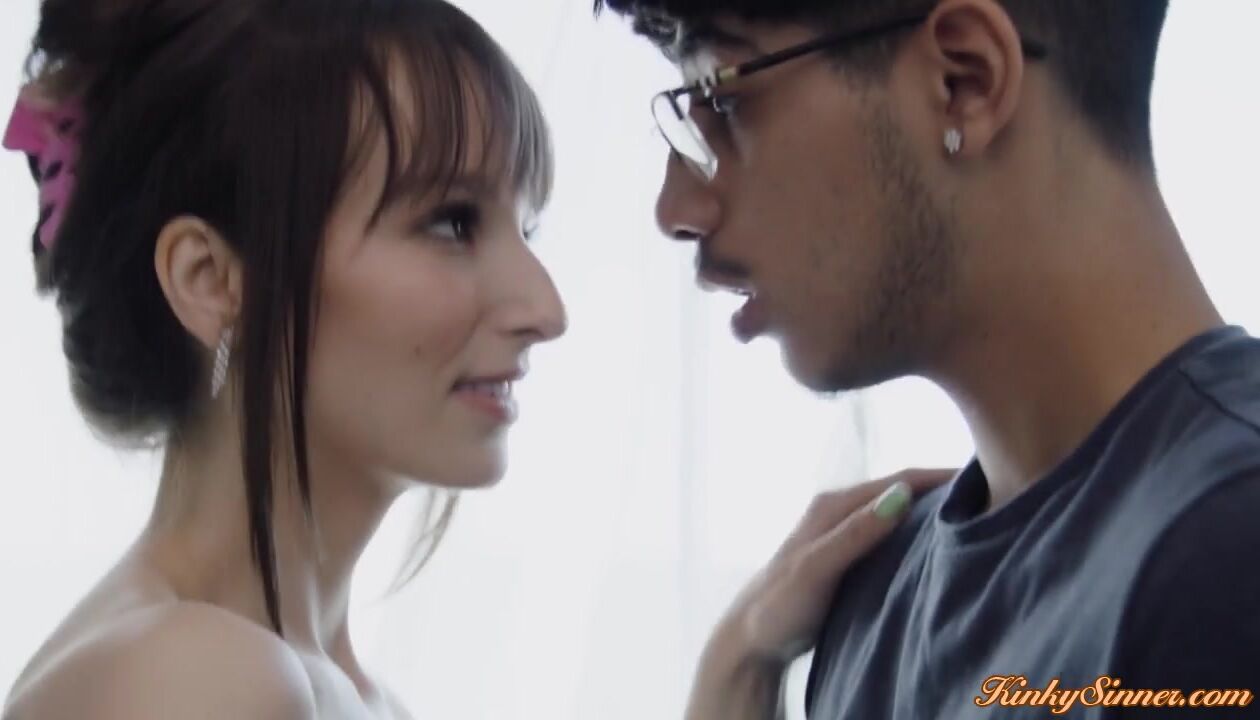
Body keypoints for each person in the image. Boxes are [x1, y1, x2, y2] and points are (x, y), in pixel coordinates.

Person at [597, 0, 1260, 717]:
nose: (676, 209)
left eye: (722, 99)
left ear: (965, 80)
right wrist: (737, 671)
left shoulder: (1229, 551)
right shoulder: (867, 598)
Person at [0, 0, 571, 717]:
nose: (545, 309)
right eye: (452, 222)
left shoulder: (339, 692)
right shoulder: (192, 679)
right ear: (210, 280)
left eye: (526, 229)